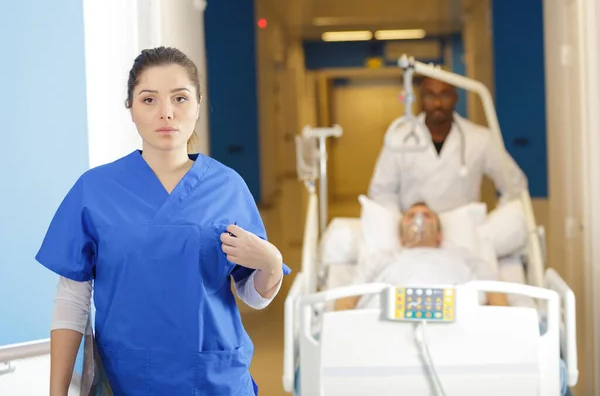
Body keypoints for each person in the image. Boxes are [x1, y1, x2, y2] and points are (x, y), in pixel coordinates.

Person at [36, 46, 291, 396]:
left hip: (213, 379)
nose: (166, 113)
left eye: (180, 98)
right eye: (149, 99)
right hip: (127, 379)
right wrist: (57, 392)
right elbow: (71, 300)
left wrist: (272, 264)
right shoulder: (94, 190)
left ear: (199, 104)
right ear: (130, 108)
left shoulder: (227, 186)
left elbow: (252, 293)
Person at [368, 77, 528, 213]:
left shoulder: (480, 139)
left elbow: (515, 185)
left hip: (464, 238)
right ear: (421, 99)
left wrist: (494, 226)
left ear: (455, 98)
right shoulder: (399, 138)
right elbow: (381, 191)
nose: (437, 103)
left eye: (444, 95)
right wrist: (400, 226)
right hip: (414, 238)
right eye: (430, 96)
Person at [334, 202, 508, 310]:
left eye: (427, 216)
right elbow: (348, 299)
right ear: (401, 236)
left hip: (460, 323)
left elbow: (497, 296)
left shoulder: (464, 256)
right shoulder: (380, 259)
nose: (419, 219)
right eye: (410, 217)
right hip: (384, 324)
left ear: (439, 235)